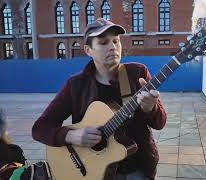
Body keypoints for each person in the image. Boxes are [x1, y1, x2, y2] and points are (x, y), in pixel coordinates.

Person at [32, 18, 167, 180]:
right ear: (88, 50)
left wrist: (150, 108)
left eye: (116, 41)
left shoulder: (137, 73)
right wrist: (71, 136)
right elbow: (40, 128)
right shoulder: (76, 85)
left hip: (138, 168)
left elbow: (160, 123)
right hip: (92, 171)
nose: (113, 47)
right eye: (103, 42)